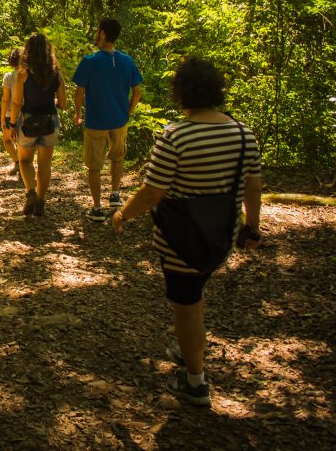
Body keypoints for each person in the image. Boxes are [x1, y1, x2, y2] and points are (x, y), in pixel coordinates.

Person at [112, 57, 262, 407]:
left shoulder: (176, 135)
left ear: (181, 93)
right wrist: (252, 226)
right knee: (195, 292)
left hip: (181, 240)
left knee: (186, 306)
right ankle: (187, 344)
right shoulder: (243, 134)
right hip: (221, 235)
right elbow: (253, 187)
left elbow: (153, 192)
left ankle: (195, 382)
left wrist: (123, 214)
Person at [72, 17, 142, 222]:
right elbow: (137, 92)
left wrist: (78, 113)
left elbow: (79, 92)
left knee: (94, 166)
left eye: (97, 30)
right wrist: (128, 112)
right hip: (119, 121)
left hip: (96, 122)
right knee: (117, 157)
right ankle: (115, 194)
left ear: (102, 33)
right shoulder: (127, 61)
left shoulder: (90, 61)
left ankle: (96, 208)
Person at [9, 33, 66, 217]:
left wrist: (11, 125)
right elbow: (63, 104)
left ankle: (31, 193)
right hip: (50, 122)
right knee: (45, 164)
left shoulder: (23, 74)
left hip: (27, 123)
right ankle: (41, 200)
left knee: (25, 161)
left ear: (28, 52)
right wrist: (51, 102)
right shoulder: (56, 74)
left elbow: (16, 103)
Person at [0, 48, 21, 178]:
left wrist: (2, 118)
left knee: (7, 140)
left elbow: (5, 99)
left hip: (10, 114)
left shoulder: (9, 76)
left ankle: (18, 162)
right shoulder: (29, 76)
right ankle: (21, 165)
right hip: (26, 113)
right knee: (22, 142)